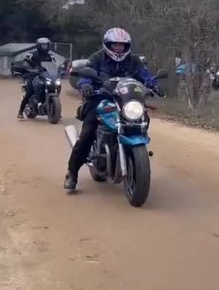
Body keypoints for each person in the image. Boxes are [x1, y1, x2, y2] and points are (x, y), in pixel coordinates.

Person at [63, 28, 163, 191]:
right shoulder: (97, 58)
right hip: (99, 98)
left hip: (125, 100)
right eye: (115, 45)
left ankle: (132, 155)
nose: (119, 48)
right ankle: (72, 173)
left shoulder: (133, 60)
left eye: (122, 45)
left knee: (141, 119)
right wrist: (85, 85)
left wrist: (154, 84)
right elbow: (86, 75)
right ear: (108, 45)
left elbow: (144, 75)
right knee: (87, 134)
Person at [17, 37, 56, 119]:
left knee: (55, 85)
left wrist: (59, 70)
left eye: (46, 45)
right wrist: (31, 68)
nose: (45, 47)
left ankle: (55, 110)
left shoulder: (50, 56)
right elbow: (25, 63)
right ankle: (20, 111)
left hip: (45, 75)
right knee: (29, 92)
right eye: (43, 45)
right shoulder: (32, 54)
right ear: (39, 46)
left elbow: (54, 65)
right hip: (33, 75)